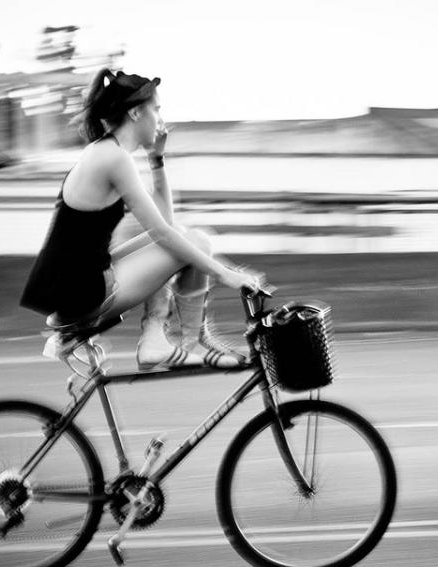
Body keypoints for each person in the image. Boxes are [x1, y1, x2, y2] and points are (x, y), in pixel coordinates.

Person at [21, 69, 262, 370]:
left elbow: (166, 222)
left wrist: (156, 159)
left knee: (189, 238)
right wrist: (226, 274)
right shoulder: (113, 158)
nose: (161, 119)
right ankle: (174, 340)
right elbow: (162, 232)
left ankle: (161, 340)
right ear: (136, 112)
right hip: (83, 293)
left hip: (79, 284)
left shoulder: (106, 152)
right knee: (195, 242)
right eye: (157, 110)